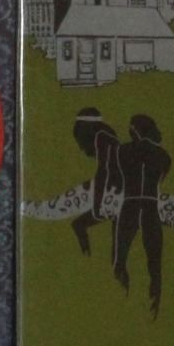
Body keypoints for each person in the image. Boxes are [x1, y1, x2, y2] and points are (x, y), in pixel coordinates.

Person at [111, 114, 171, 314]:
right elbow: (161, 178)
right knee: (154, 262)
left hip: (130, 204)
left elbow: (121, 175)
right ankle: (153, 306)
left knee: (121, 257)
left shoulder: (123, 151)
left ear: (134, 130)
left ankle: (120, 297)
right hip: (150, 206)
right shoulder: (163, 155)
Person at [68, 108, 121, 258]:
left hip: (122, 194)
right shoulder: (107, 138)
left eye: (81, 141)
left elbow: (103, 171)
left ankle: (87, 259)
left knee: (80, 225)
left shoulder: (102, 138)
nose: (81, 148)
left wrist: (98, 204)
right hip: (118, 192)